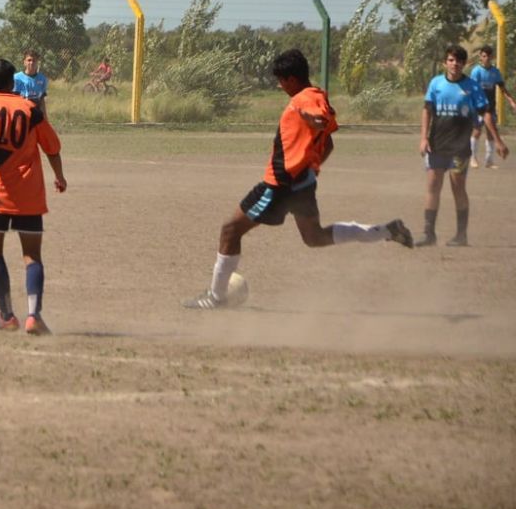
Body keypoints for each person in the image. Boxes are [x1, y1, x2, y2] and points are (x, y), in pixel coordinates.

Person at [184, 49, 413, 310]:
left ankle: (215, 297)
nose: (281, 86)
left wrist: (311, 120)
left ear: (292, 79)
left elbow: (318, 119)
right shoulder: (316, 96)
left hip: (279, 185)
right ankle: (387, 230)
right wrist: (311, 169)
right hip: (302, 183)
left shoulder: (305, 98)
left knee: (230, 229)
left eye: (282, 81)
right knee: (314, 237)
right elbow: (328, 145)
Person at [0, 58, 67, 335]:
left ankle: (6, 315)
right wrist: (59, 176)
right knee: (32, 255)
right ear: (14, 83)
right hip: (29, 194)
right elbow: (52, 147)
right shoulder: (31, 110)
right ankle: (33, 316)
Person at [416, 44, 508, 247]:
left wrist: (498, 140)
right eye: (450, 60)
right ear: (445, 62)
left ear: (464, 63)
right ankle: (428, 233)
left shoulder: (472, 86)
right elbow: (427, 110)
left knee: (458, 188)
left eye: (458, 61)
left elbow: (486, 113)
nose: (454, 64)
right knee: (432, 186)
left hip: (460, 147)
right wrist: (423, 138)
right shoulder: (436, 83)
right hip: (436, 145)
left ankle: (461, 235)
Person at [468, 45, 516, 169]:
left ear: (492, 57)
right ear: (480, 57)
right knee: (477, 131)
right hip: (478, 106)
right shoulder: (476, 71)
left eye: (489, 56)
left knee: (491, 132)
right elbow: (472, 88)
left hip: (490, 106)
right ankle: (473, 158)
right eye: (484, 56)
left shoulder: (495, 72)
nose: (486, 58)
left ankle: (489, 160)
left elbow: (502, 88)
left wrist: (511, 100)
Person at [13, 50, 49, 116]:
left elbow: (41, 100)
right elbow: (13, 99)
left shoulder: (42, 78)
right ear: (24, 62)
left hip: (36, 114)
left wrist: (45, 118)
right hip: (22, 113)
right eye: (29, 60)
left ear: (37, 62)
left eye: (34, 60)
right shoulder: (17, 78)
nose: (31, 63)